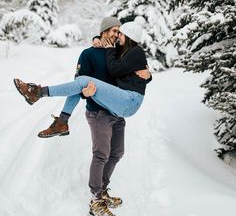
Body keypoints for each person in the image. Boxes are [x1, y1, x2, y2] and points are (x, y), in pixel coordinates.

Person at [14, 17, 151, 216]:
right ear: (104, 31)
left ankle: (102, 191)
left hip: (117, 111)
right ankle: (96, 200)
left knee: (117, 153)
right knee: (101, 154)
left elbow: (133, 68)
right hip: (98, 113)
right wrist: (78, 101)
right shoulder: (88, 54)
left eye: (119, 32)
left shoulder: (120, 53)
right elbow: (77, 85)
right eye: (113, 30)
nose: (116, 34)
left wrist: (148, 74)